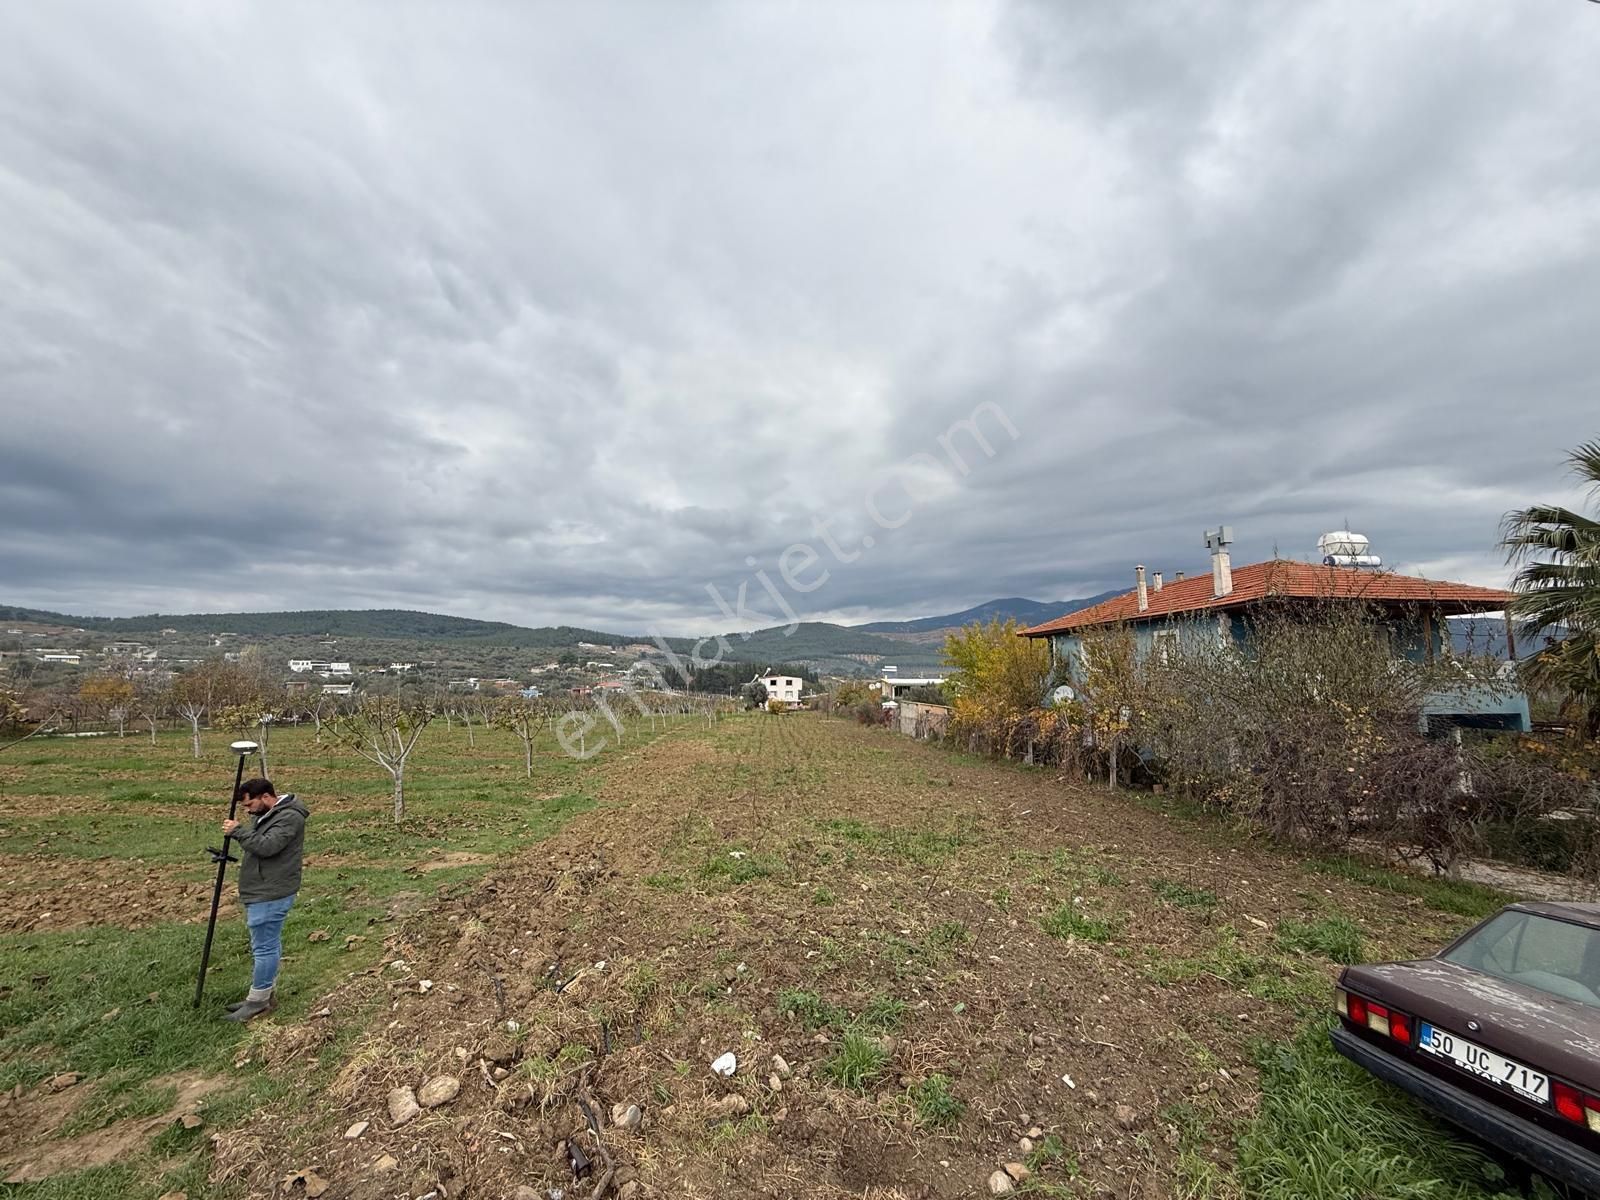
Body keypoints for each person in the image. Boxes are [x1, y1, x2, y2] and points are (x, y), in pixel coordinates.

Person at [220, 778, 309, 1022]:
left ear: (267, 797)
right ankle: (264, 994)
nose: (247, 810)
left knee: (264, 947)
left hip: (271, 892)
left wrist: (237, 831)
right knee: (268, 943)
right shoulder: (271, 814)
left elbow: (268, 846)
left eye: (249, 805)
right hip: (263, 889)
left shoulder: (289, 817)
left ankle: (258, 1002)